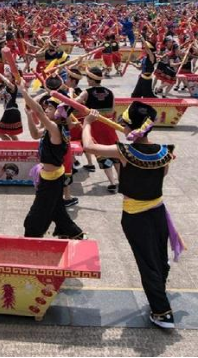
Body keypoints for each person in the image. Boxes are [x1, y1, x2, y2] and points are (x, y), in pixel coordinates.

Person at [82, 102, 182, 330]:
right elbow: (162, 175)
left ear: (130, 128)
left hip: (136, 216)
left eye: (124, 124)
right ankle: (159, 289)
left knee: (147, 263)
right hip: (158, 211)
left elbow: (88, 147)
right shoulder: (165, 151)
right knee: (158, 257)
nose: (122, 127)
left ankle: (162, 312)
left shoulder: (124, 151)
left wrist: (87, 123)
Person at [18, 79, 86, 240]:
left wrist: (23, 91)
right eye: (46, 107)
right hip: (51, 177)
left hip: (51, 180)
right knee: (56, 209)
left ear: (58, 113)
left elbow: (38, 111)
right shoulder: (51, 128)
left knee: (35, 216)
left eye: (50, 108)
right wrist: (29, 115)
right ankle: (72, 232)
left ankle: (32, 237)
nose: (46, 110)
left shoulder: (56, 129)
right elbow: (35, 134)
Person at [76, 67, 120, 193]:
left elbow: (75, 103)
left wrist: (71, 93)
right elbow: (112, 110)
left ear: (91, 79)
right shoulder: (110, 92)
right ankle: (122, 181)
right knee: (115, 153)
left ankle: (112, 183)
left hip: (95, 126)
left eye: (88, 78)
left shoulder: (86, 92)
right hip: (109, 125)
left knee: (102, 154)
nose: (87, 80)